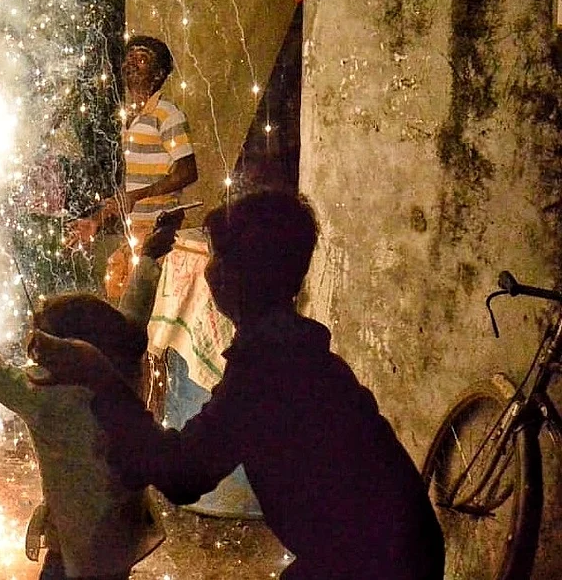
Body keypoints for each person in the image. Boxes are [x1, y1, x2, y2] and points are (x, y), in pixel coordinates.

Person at [31, 190, 445, 579]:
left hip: (373, 562)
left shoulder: (268, 373)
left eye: (216, 258)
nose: (208, 270)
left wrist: (103, 380)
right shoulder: (298, 352)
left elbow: (182, 474)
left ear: (239, 277)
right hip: (400, 548)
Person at [0, 214, 183, 579]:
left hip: (74, 536)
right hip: (121, 525)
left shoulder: (41, 393)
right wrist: (153, 251)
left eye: (43, 336)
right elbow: (134, 310)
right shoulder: (122, 362)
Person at [68, 35, 197, 301]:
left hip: (159, 234)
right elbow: (130, 193)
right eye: (128, 59)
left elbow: (187, 172)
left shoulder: (167, 114)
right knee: (119, 293)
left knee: (141, 305)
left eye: (141, 59)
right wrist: (96, 221)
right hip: (137, 232)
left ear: (159, 73)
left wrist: (135, 197)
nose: (131, 65)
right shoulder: (131, 120)